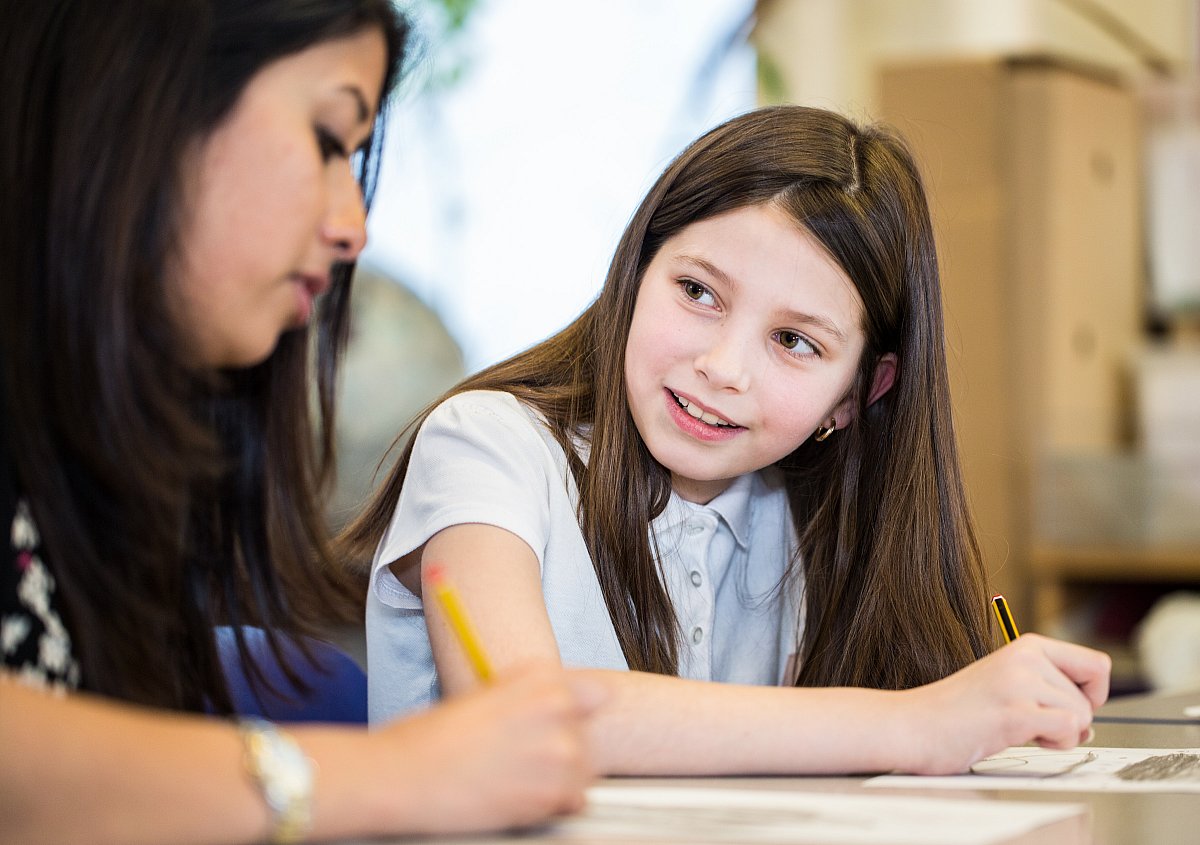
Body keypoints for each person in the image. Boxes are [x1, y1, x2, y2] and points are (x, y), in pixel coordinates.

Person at [346, 105, 1112, 776]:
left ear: (856, 394)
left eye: (793, 341)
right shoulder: (483, 447)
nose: (722, 368)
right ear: (636, 271)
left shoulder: (802, 516)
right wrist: (920, 721)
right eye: (698, 292)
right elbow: (521, 716)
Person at [0, 2, 597, 843]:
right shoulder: (489, 438)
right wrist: (395, 773)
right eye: (326, 139)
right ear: (139, 95)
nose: (354, 226)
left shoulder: (103, 470)